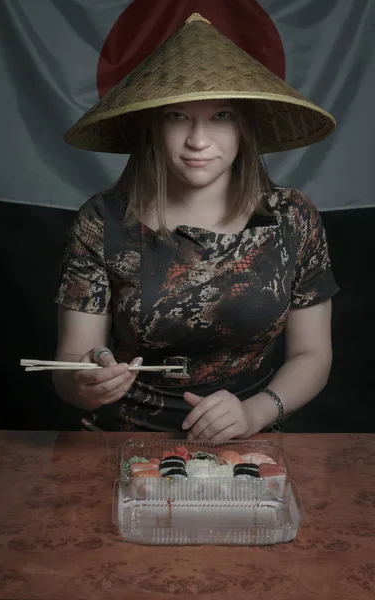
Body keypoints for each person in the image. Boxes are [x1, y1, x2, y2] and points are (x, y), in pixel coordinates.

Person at [53, 13, 339, 439]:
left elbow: (312, 354)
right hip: (121, 445)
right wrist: (86, 383)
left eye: (221, 115)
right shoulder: (101, 221)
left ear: (244, 125)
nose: (198, 140)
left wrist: (255, 413)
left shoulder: (292, 217)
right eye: (177, 116)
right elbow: (69, 365)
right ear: (152, 124)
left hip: (250, 444)